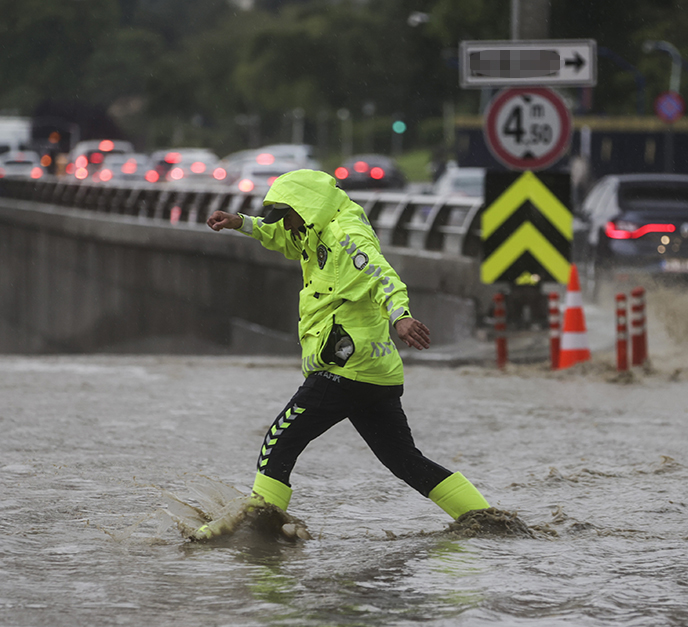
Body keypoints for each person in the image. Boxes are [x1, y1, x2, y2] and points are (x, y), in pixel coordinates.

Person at [205, 169, 491, 530]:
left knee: (278, 442)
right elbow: (284, 237)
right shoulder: (315, 229)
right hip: (373, 372)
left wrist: (401, 316)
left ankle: (258, 530)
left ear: (306, 207)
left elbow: (382, 275)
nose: (286, 224)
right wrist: (241, 223)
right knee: (404, 460)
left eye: (287, 215)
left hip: (344, 366)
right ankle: (486, 520)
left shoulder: (346, 233)